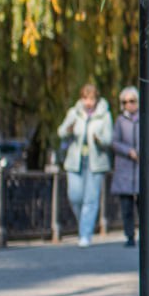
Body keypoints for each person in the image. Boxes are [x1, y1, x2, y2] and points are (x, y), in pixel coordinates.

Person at [57, 83, 113, 247]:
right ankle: (84, 223)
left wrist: (99, 139)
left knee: (91, 198)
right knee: (75, 196)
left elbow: (109, 139)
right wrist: (69, 128)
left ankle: (85, 234)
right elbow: (61, 132)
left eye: (91, 99)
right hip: (75, 161)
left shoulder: (104, 115)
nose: (88, 102)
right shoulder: (74, 113)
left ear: (96, 99)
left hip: (95, 162)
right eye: (85, 98)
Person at [110, 86, 140, 247]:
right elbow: (114, 142)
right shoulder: (120, 121)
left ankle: (147, 235)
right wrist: (128, 151)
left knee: (144, 206)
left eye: (132, 101)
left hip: (141, 169)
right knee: (126, 207)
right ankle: (129, 236)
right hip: (125, 169)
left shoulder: (145, 118)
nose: (129, 104)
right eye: (125, 102)